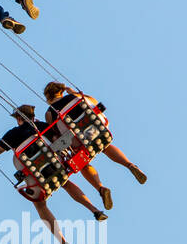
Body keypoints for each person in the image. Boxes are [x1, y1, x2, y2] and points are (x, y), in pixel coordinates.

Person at [0, 106, 105, 244]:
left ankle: (63, 242)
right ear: (33, 116)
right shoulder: (41, 127)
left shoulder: (12, 134)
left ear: (18, 119)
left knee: (40, 204)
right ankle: (94, 209)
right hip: (55, 165)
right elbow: (58, 141)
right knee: (65, 182)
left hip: (36, 175)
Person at [43, 81, 147, 212]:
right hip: (94, 129)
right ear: (61, 91)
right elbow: (93, 101)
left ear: (48, 97)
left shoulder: (50, 112)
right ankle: (130, 165)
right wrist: (72, 92)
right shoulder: (76, 97)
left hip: (77, 140)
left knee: (82, 163)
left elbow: (55, 135)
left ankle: (100, 188)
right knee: (104, 145)